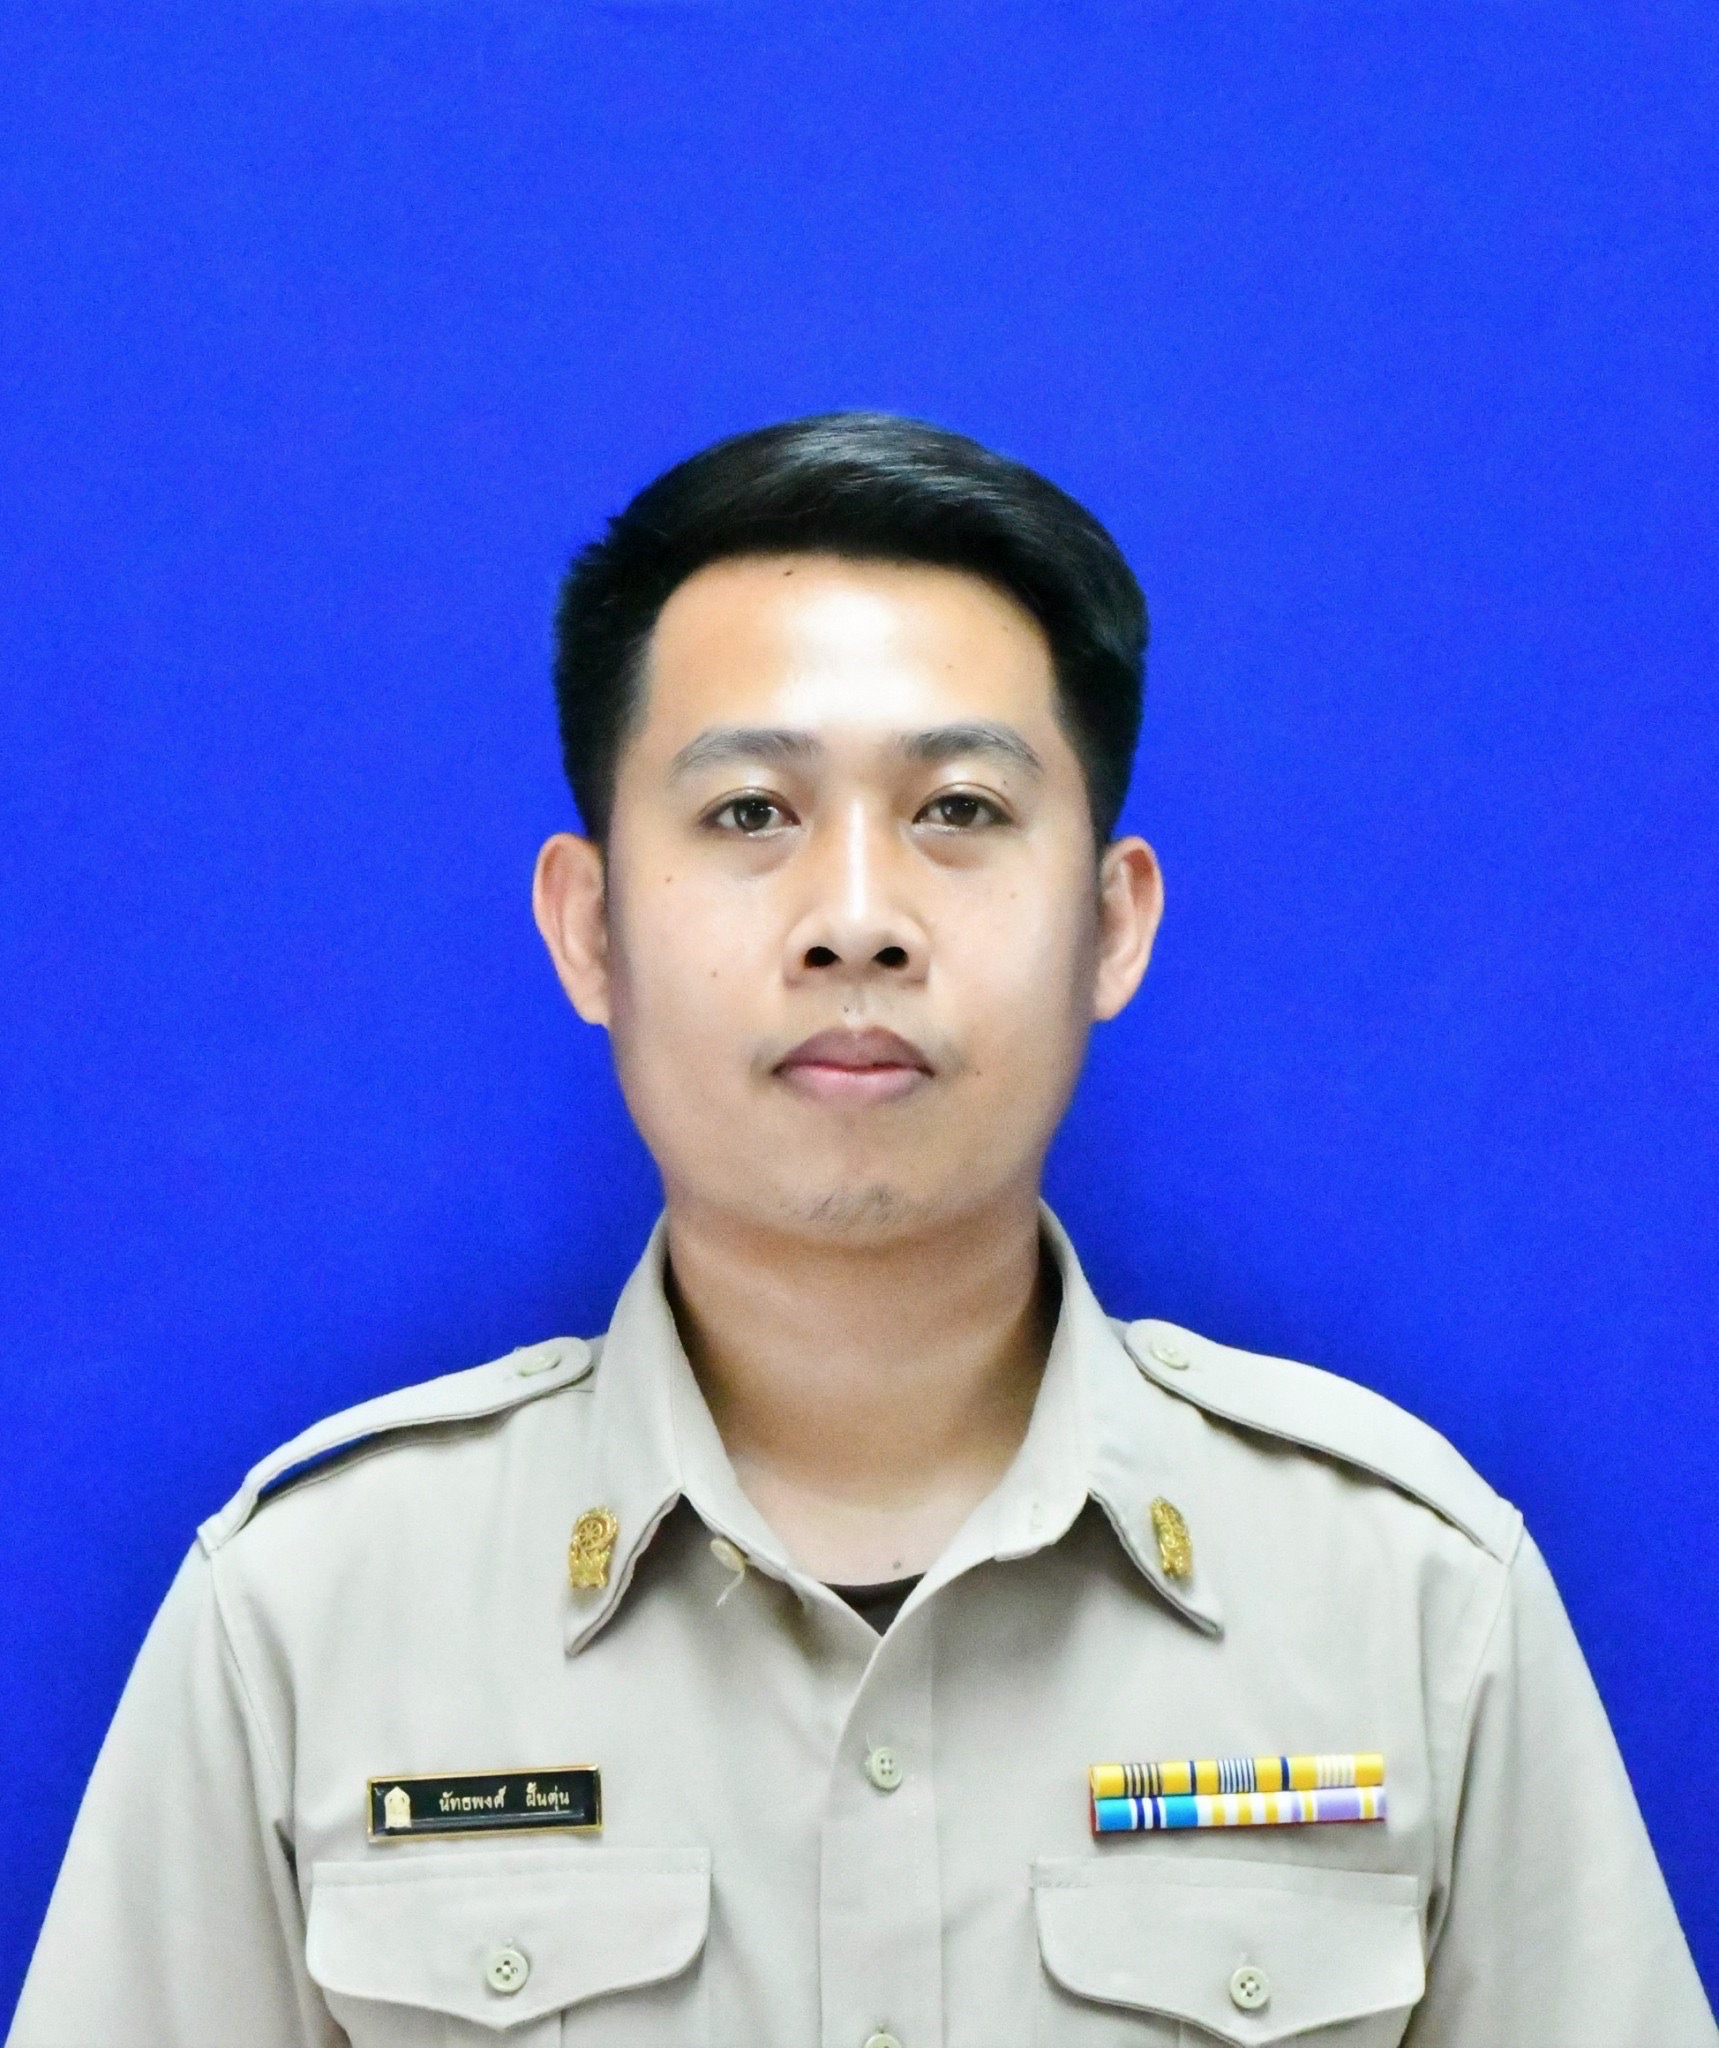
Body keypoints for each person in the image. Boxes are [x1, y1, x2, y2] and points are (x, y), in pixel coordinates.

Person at [10, 413, 1713, 2048]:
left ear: (1112, 924)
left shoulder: (1410, 1600)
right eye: (749, 812)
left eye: (958, 809)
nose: (854, 920)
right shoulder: (310, 1619)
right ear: (589, 929)